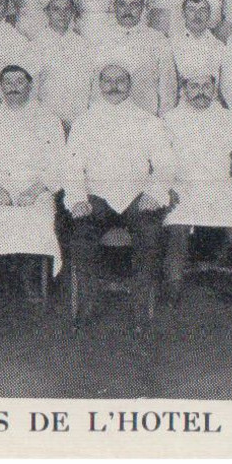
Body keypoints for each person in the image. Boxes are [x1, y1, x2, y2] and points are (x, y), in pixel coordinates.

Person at [65, 61, 176, 326]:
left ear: (130, 84)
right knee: (81, 234)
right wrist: (78, 199)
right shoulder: (85, 122)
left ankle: (140, 306)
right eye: (107, 81)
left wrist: (155, 192)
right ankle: (87, 301)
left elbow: (166, 164)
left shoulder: (148, 121)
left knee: (150, 233)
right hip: (96, 196)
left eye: (120, 81)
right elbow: (71, 165)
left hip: (137, 197)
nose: (114, 87)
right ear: (99, 85)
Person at [160, 68, 232, 310]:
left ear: (214, 89)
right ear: (184, 89)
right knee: (174, 217)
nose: (200, 93)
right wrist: (166, 188)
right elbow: (162, 159)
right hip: (183, 187)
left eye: (206, 87)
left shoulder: (229, 118)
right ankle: (173, 281)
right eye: (194, 87)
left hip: (222, 185)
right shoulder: (170, 120)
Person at [0, 64, 68, 301]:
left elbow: (58, 163)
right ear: (0, 87)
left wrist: (35, 190)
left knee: (38, 216)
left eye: (19, 82)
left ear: (30, 85)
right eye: (8, 83)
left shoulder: (48, 120)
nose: (13, 88)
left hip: (36, 186)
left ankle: (30, 275)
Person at [84, 0, 175, 116]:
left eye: (134, 5)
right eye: (122, 4)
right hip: (104, 119)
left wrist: (163, 121)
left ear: (143, 8)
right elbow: (87, 83)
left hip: (144, 119)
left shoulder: (158, 41)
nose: (128, 10)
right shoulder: (97, 38)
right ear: (114, 6)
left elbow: (167, 88)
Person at [27, 0, 95, 129]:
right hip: (48, 120)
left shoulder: (83, 45)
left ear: (73, 12)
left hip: (80, 119)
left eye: (67, 9)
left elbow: (91, 83)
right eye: (56, 9)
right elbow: (32, 90)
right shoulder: (36, 45)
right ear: (46, 12)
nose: (62, 14)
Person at [170, 0, 227, 91]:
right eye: (191, 10)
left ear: (209, 14)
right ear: (183, 14)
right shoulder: (172, 45)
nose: (197, 15)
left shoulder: (220, 47)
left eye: (203, 10)